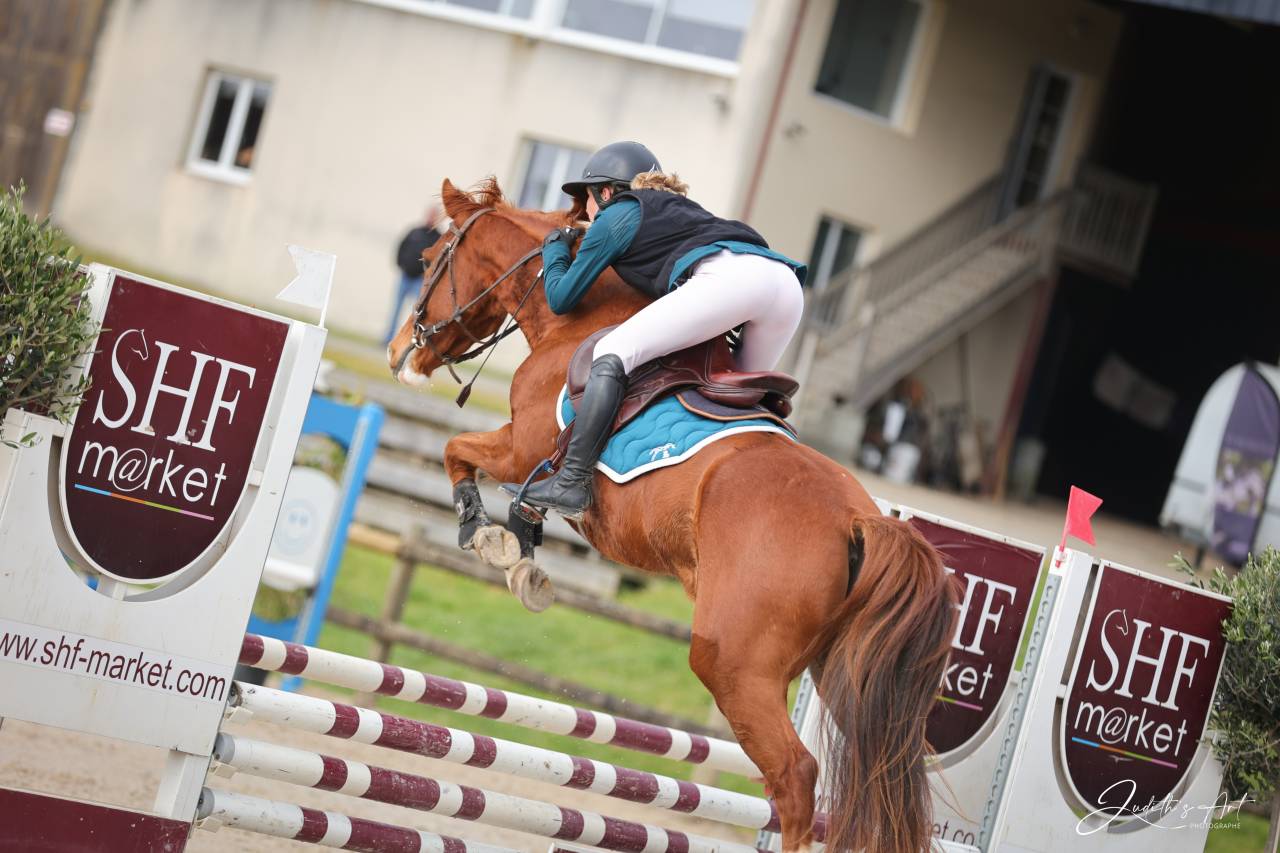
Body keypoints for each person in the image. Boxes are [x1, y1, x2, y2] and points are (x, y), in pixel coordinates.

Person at [505, 141, 807, 516]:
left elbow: (561, 298)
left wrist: (554, 250)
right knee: (737, 401)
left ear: (606, 191)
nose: (585, 212)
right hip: (785, 287)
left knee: (611, 352)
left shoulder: (616, 215)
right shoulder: (679, 211)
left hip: (734, 281)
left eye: (588, 200)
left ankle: (571, 481)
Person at [386, 204, 443, 344]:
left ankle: (406, 342)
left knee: (416, 315)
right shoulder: (415, 231)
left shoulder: (439, 238)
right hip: (405, 277)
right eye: (430, 215)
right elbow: (401, 246)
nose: (431, 218)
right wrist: (401, 264)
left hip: (420, 282)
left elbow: (438, 261)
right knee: (395, 310)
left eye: (434, 216)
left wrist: (427, 277)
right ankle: (388, 339)